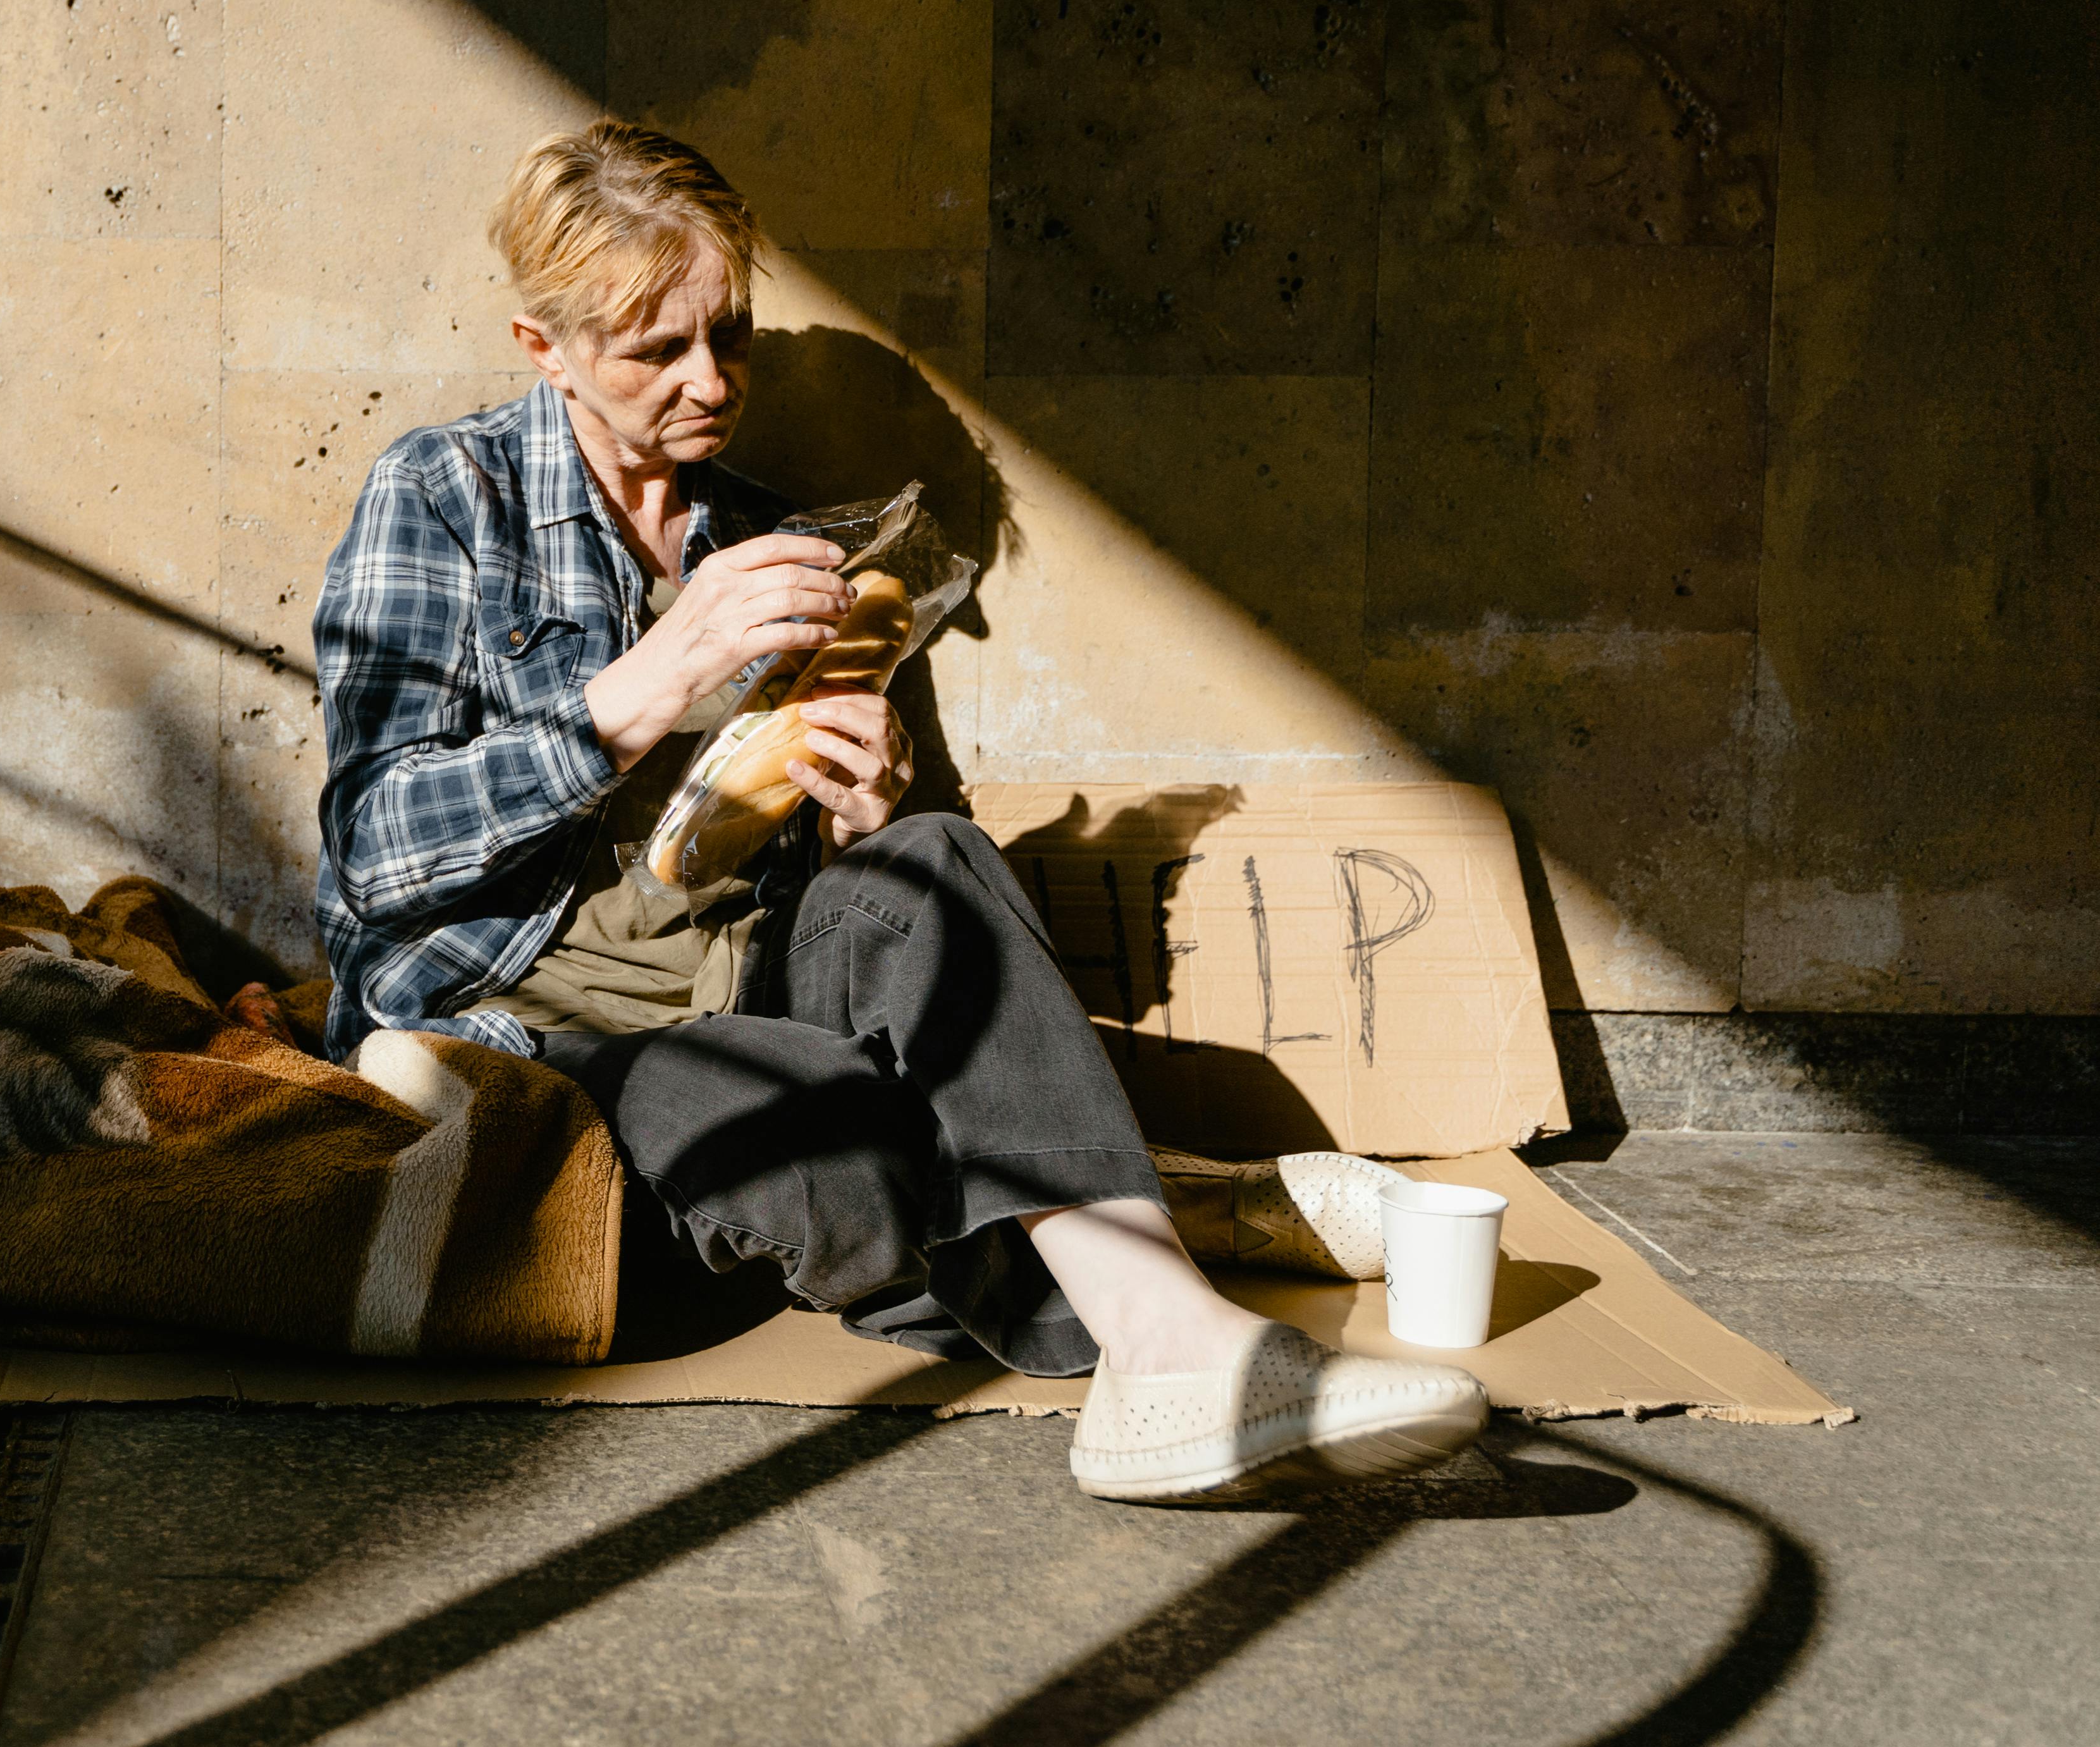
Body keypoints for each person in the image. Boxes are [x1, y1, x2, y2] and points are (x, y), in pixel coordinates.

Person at [309, 120, 1487, 1504]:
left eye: (731, 335)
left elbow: (873, 898)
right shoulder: (442, 496)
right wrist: (652, 676)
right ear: (542, 347)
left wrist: (862, 809)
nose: (711, 382)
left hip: (733, 976)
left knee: (931, 863)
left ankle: (1172, 1358)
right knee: (828, 1139)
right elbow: (374, 849)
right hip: (512, 1010)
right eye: (655, 350)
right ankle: (1184, 1234)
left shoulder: (767, 531)